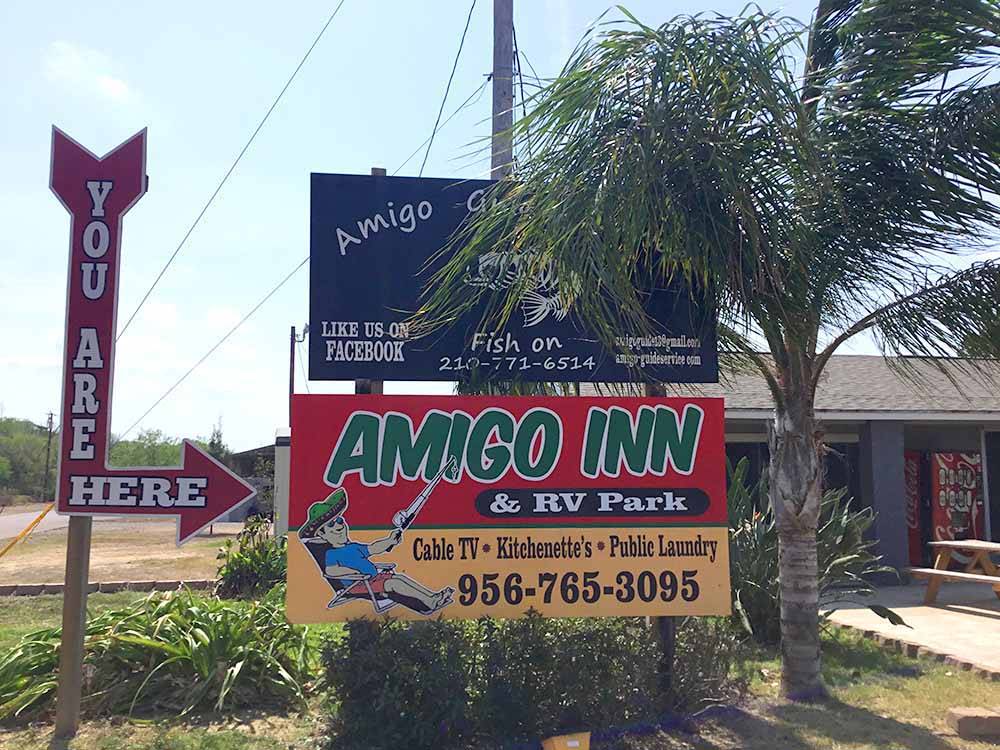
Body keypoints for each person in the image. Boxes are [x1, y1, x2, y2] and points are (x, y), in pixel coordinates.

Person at [299, 488, 453, 614]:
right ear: (322, 534)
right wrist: (354, 573)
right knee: (394, 584)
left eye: (340, 520)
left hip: (374, 579)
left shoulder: (353, 547)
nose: (339, 525)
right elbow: (330, 571)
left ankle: (432, 596)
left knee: (400, 579)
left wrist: (390, 540)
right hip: (359, 584)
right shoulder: (331, 554)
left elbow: (373, 548)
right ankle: (429, 603)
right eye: (331, 524)